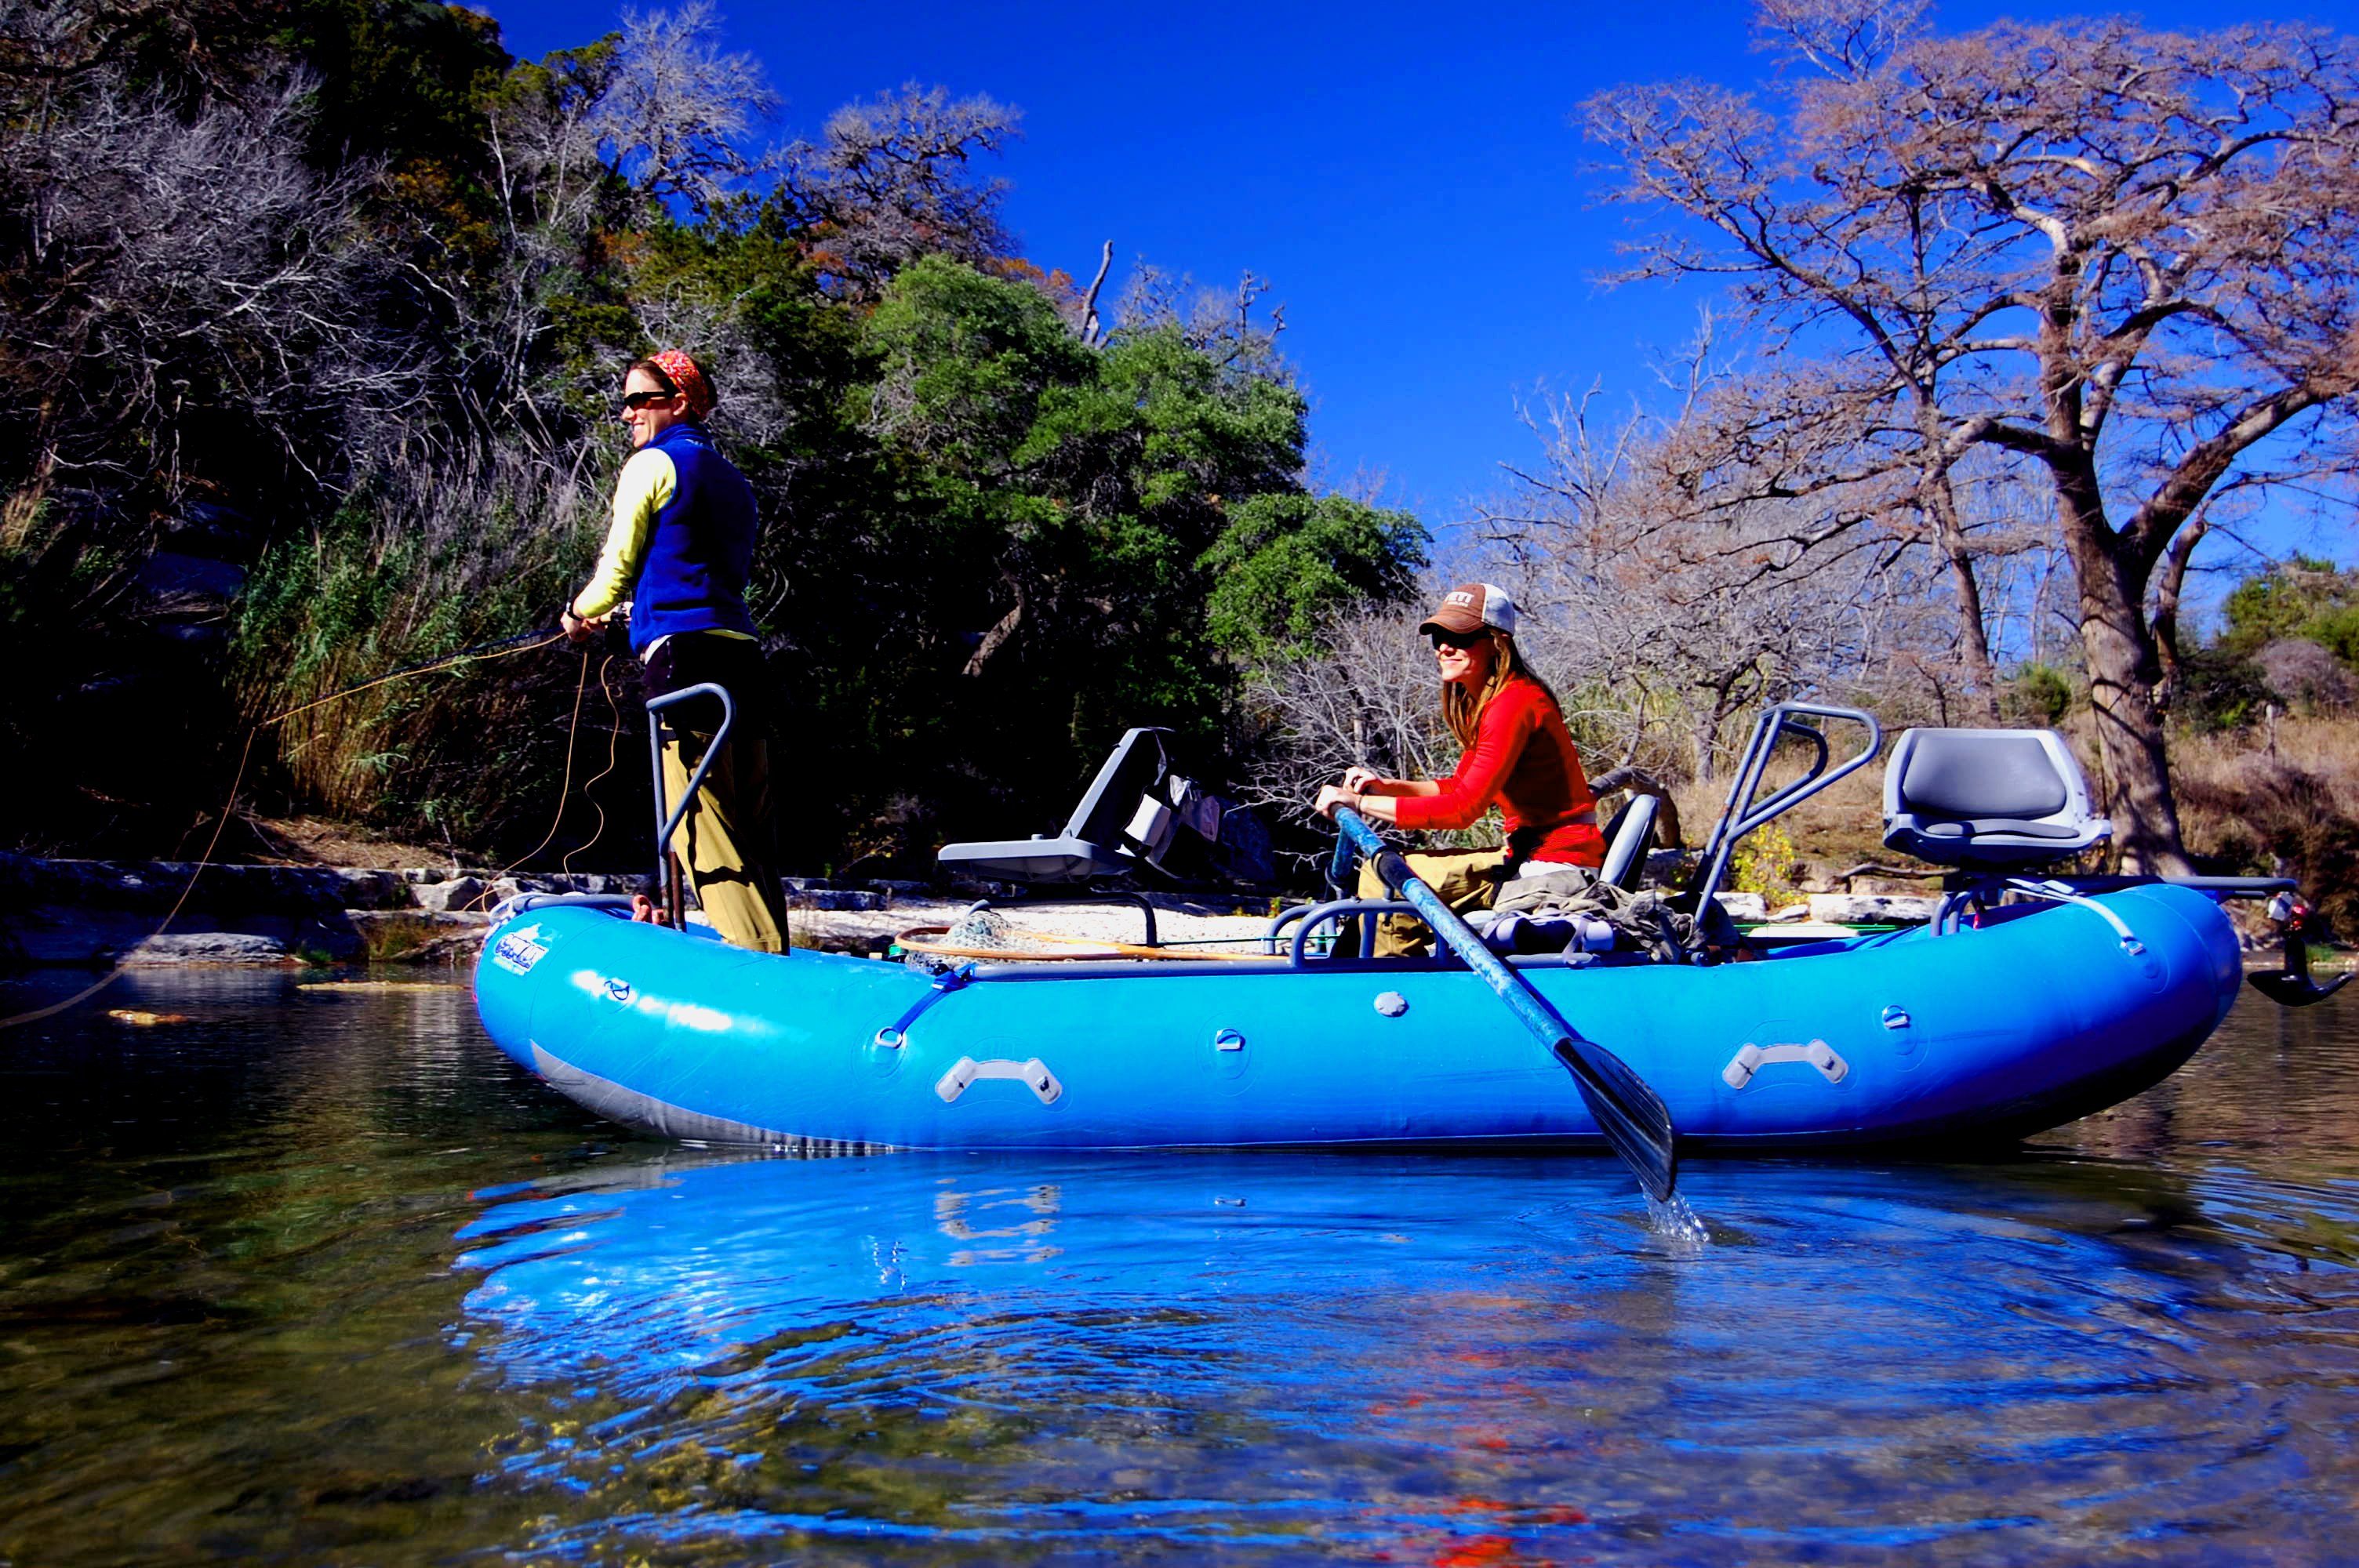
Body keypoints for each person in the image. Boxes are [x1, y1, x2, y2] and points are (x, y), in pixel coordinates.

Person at [562, 350, 790, 953]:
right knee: (750, 823)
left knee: (699, 824)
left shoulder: (651, 464)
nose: (627, 412)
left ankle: (758, 966)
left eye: (639, 400)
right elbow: (700, 577)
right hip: (743, 657)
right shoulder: (734, 481)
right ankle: (776, 953)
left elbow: (616, 572)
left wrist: (581, 612)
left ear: (680, 403)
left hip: (684, 664)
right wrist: (630, 614)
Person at [1314, 582, 1602, 957]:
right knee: (1384, 871)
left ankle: (1390, 982)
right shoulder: (1495, 701)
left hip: (1554, 863)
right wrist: (1386, 787)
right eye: (1439, 638)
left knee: (1382, 875)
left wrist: (1358, 804)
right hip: (1527, 851)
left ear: (1497, 642)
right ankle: (1372, 967)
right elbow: (1457, 786)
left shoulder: (1514, 704)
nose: (1444, 648)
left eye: (1460, 637)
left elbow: (1463, 810)